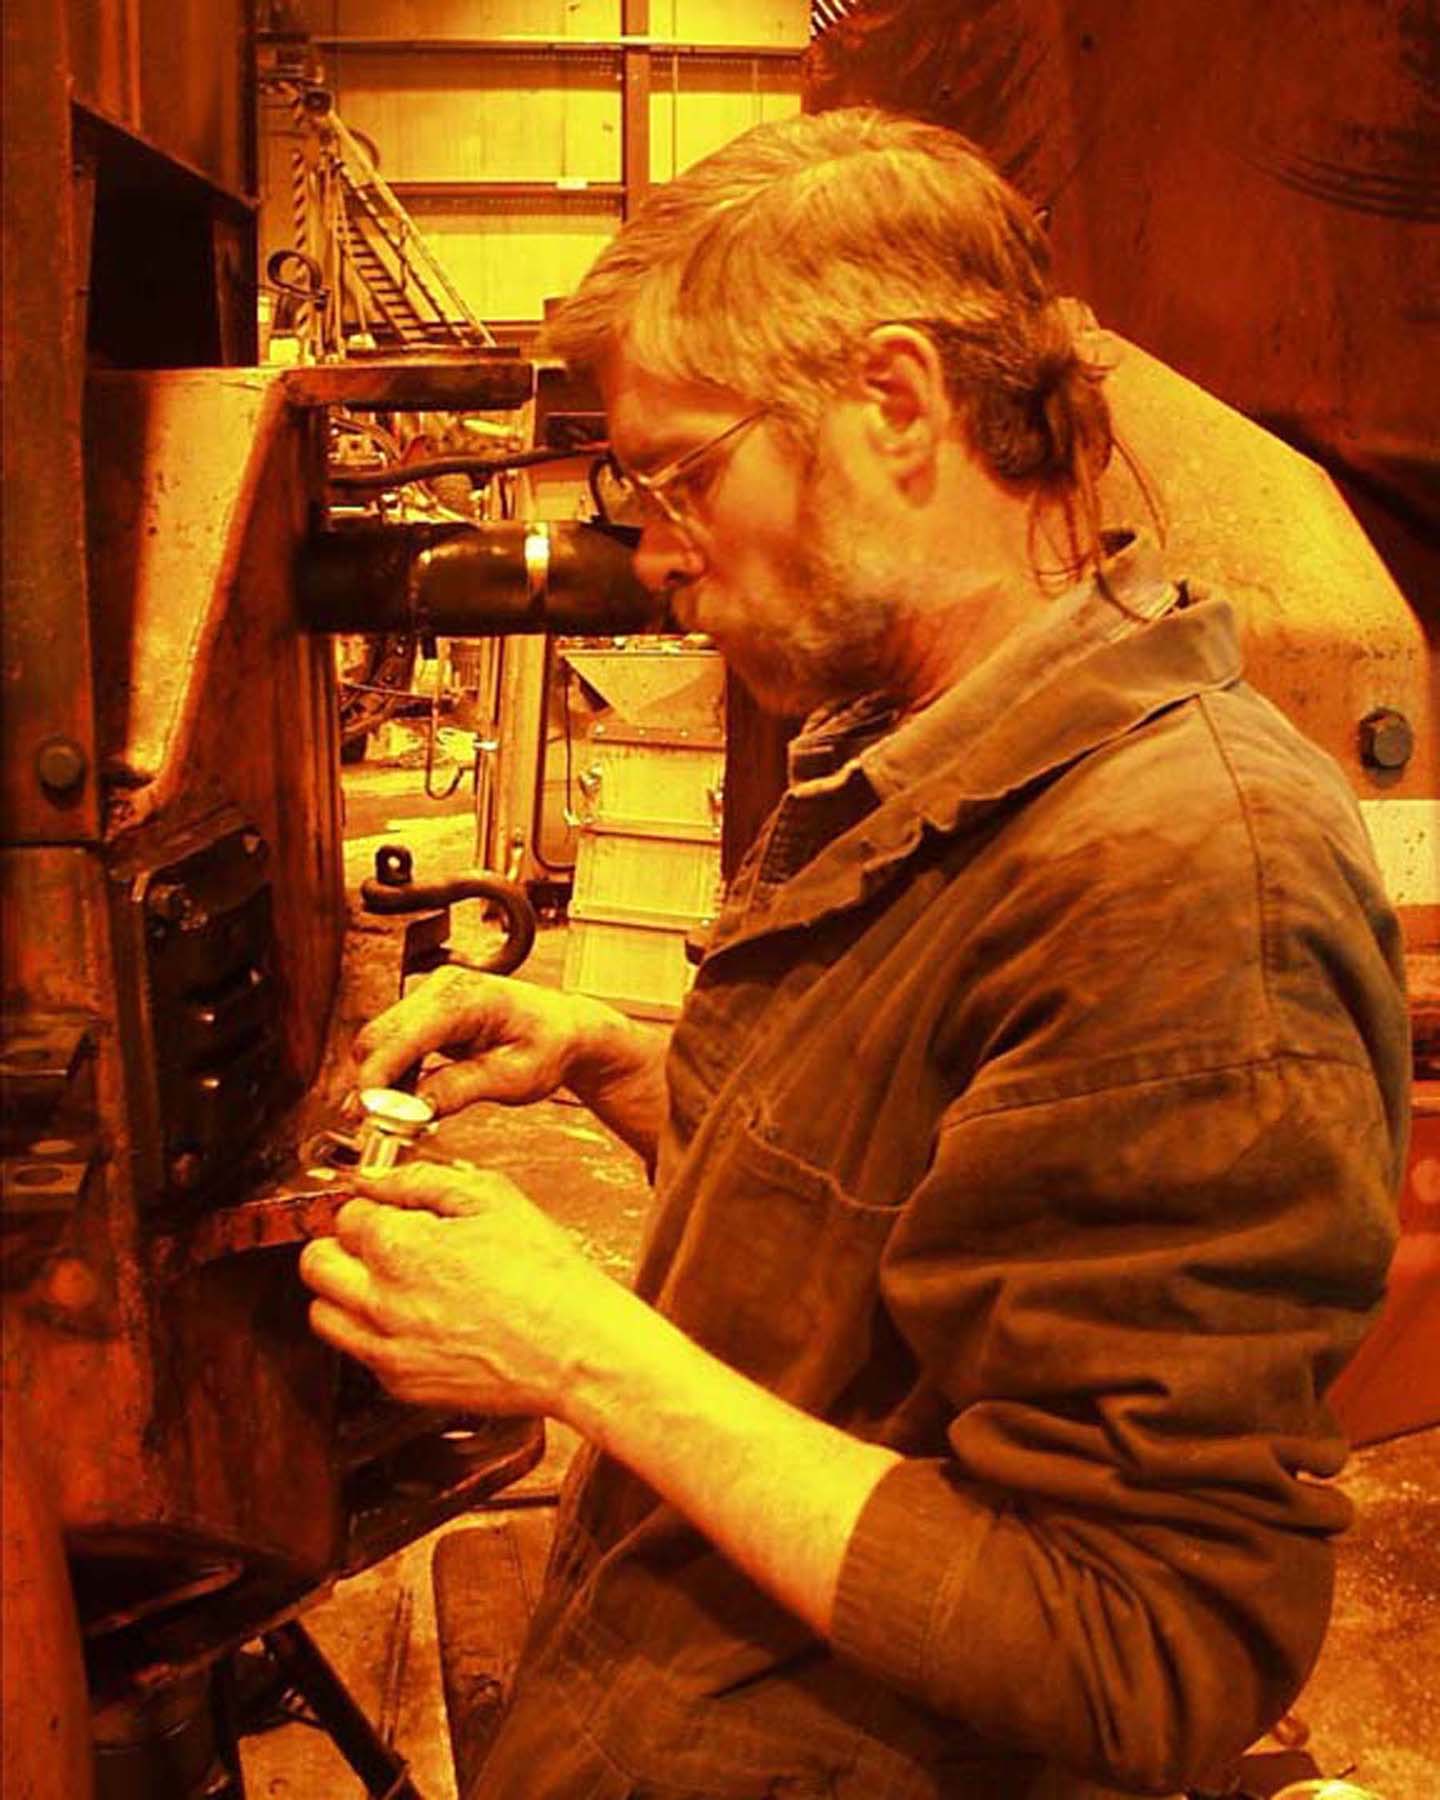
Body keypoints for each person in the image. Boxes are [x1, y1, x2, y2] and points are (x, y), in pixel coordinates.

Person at [299, 109, 1409, 1800]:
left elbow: (1133, 1651)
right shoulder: (920, 757)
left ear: (894, 405)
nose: (655, 545)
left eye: (679, 473)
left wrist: (574, 1348)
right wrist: (625, 1061)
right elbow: (916, 1238)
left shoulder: (1186, 879)